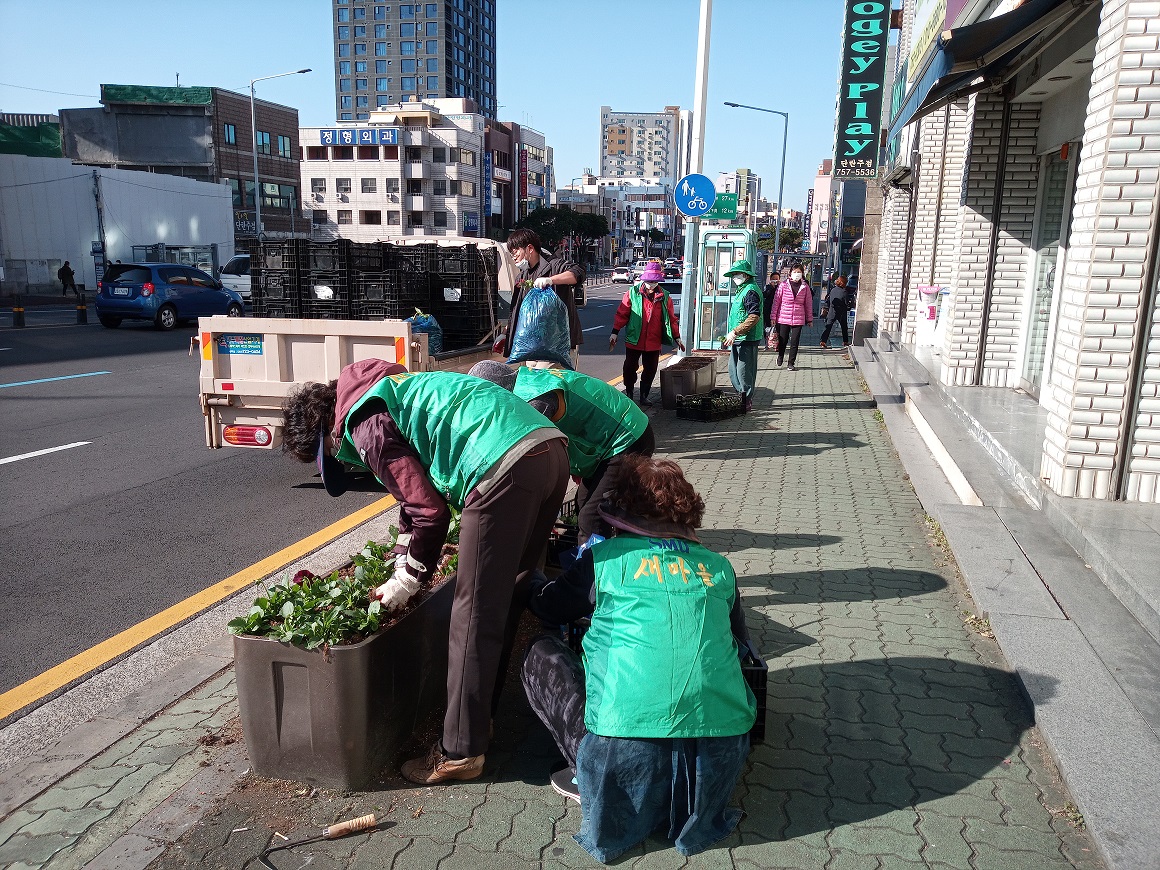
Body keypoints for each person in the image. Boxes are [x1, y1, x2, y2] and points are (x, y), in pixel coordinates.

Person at [281, 359, 569, 784]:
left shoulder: (365, 425)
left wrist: (407, 579)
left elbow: (430, 513)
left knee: (470, 617)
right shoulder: (388, 391)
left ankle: (460, 750)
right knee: (506, 598)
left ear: (325, 429)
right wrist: (401, 555)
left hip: (502, 467)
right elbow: (414, 496)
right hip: (548, 451)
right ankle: (480, 717)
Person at [520, 454, 756, 863]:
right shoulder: (719, 568)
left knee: (542, 654)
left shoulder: (603, 561)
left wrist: (533, 581)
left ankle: (586, 773)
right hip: (720, 755)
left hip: (622, 749)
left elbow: (550, 609)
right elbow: (741, 647)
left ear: (621, 509)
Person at [469, 361, 654, 544]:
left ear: (498, 392)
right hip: (612, 441)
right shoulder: (528, 381)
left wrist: (541, 511)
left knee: (591, 517)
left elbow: (535, 460)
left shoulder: (536, 400)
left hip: (628, 438)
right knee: (583, 503)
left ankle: (593, 571)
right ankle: (613, 548)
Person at [503, 229, 585, 369]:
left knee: (548, 385)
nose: (514, 256)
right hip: (531, 347)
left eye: (516, 251)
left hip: (557, 346)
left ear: (530, 248)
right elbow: (517, 310)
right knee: (532, 385)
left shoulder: (554, 266)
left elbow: (578, 273)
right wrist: (506, 333)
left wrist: (551, 280)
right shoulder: (522, 277)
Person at [609, 261, 684, 406]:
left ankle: (644, 395)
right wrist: (615, 332)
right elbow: (622, 314)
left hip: (653, 340)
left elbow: (671, 319)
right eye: (649, 280)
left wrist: (677, 337)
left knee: (650, 369)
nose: (651, 284)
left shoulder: (664, 297)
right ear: (644, 279)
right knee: (630, 367)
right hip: (634, 338)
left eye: (654, 281)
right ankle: (629, 392)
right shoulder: (632, 293)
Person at [720, 259, 763, 413]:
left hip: (748, 338)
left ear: (745, 275)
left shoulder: (750, 290)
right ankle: (741, 396)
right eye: (733, 274)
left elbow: (753, 316)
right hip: (738, 338)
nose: (734, 277)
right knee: (734, 370)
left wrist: (736, 331)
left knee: (744, 372)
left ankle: (746, 400)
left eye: (737, 274)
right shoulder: (742, 290)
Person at [772, 264, 813, 371]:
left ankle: (791, 363)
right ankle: (780, 356)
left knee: (795, 341)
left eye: (799, 272)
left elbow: (808, 303)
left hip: (798, 317)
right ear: (790, 273)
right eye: (794, 272)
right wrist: (773, 317)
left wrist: (809, 319)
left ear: (802, 274)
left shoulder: (805, 287)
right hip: (783, 316)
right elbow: (776, 301)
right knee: (783, 340)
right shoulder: (783, 285)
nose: (796, 274)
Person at [819, 274, 851, 349]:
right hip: (841, 312)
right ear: (844, 283)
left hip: (832, 311)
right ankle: (845, 342)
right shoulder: (844, 292)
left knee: (828, 326)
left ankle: (823, 341)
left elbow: (829, 301)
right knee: (844, 327)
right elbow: (846, 303)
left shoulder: (833, 290)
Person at [762, 269, 780, 351]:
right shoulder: (768, 287)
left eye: (777, 279)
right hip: (768, 311)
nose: (775, 281)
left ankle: (777, 345)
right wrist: (772, 287)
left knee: (777, 329)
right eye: (774, 279)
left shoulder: (781, 287)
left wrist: (779, 286)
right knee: (767, 328)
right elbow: (764, 295)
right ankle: (767, 344)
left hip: (778, 311)